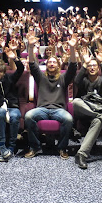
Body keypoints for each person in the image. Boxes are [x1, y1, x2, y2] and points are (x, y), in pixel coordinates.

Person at [24, 31, 77, 159]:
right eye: (49, 62)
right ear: (46, 65)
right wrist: (30, 48)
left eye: (54, 62)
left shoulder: (63, 78)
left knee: (69, 119)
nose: (52, 64)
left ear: (58, 65)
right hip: (42, 109)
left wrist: (72, 48)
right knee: (28, 116)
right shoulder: (41, 77)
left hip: (58, 110)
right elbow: (32, 64)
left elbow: (73, 67)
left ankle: (62, 148)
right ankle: (35, 147)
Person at [73, 48, 102, 169]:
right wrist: (84, 63)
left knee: (98, 120)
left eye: (95, 66)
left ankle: (81, 154)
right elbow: (76, 81)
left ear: (98, 68)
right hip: (84, 110)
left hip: (98, 110)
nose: (92, 67)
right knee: (76, 102)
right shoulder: (83, 80)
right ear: (87, 69)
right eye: (90, 66)